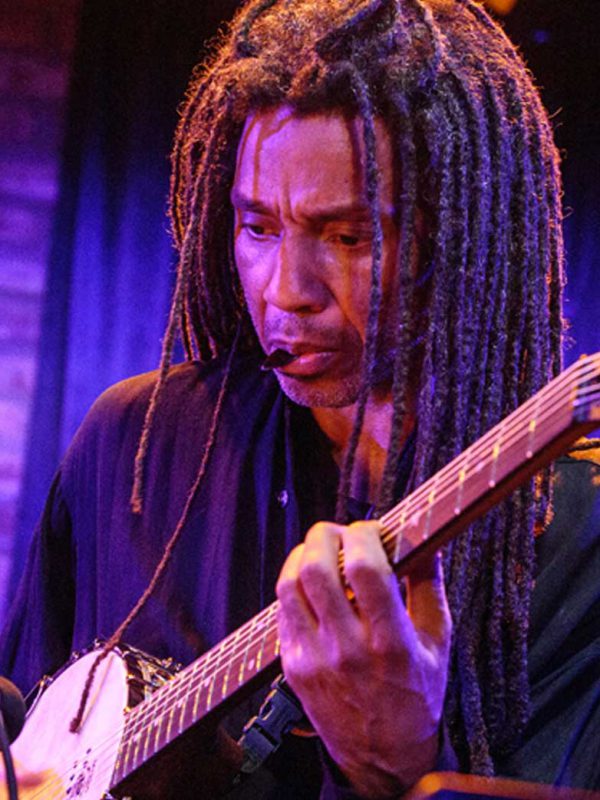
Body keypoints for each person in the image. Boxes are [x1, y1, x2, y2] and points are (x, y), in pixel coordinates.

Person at [1, 0, 599, 797]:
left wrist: (396, 767)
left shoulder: (572, 529)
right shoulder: (135, 445)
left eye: (349, 237)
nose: (286, 291)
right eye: (258, 227)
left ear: (461, 237)